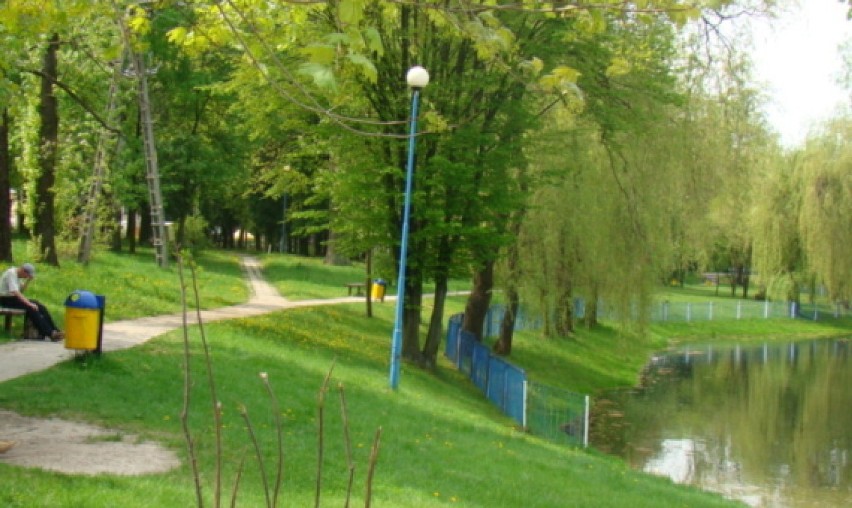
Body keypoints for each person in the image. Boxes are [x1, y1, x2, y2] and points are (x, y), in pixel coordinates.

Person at [0, 263, 64, 342]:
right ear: (23, 271)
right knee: (31, 308)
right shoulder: (11, 273)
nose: (26, 277)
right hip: (6, 300)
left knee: (40, 306)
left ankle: (55, 330)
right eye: (27, 275)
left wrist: (28, 280)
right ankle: (50, 333)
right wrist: (29, 304)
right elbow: (15, 292)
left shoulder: (17, 275)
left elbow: (21, 290)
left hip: (13, 299)